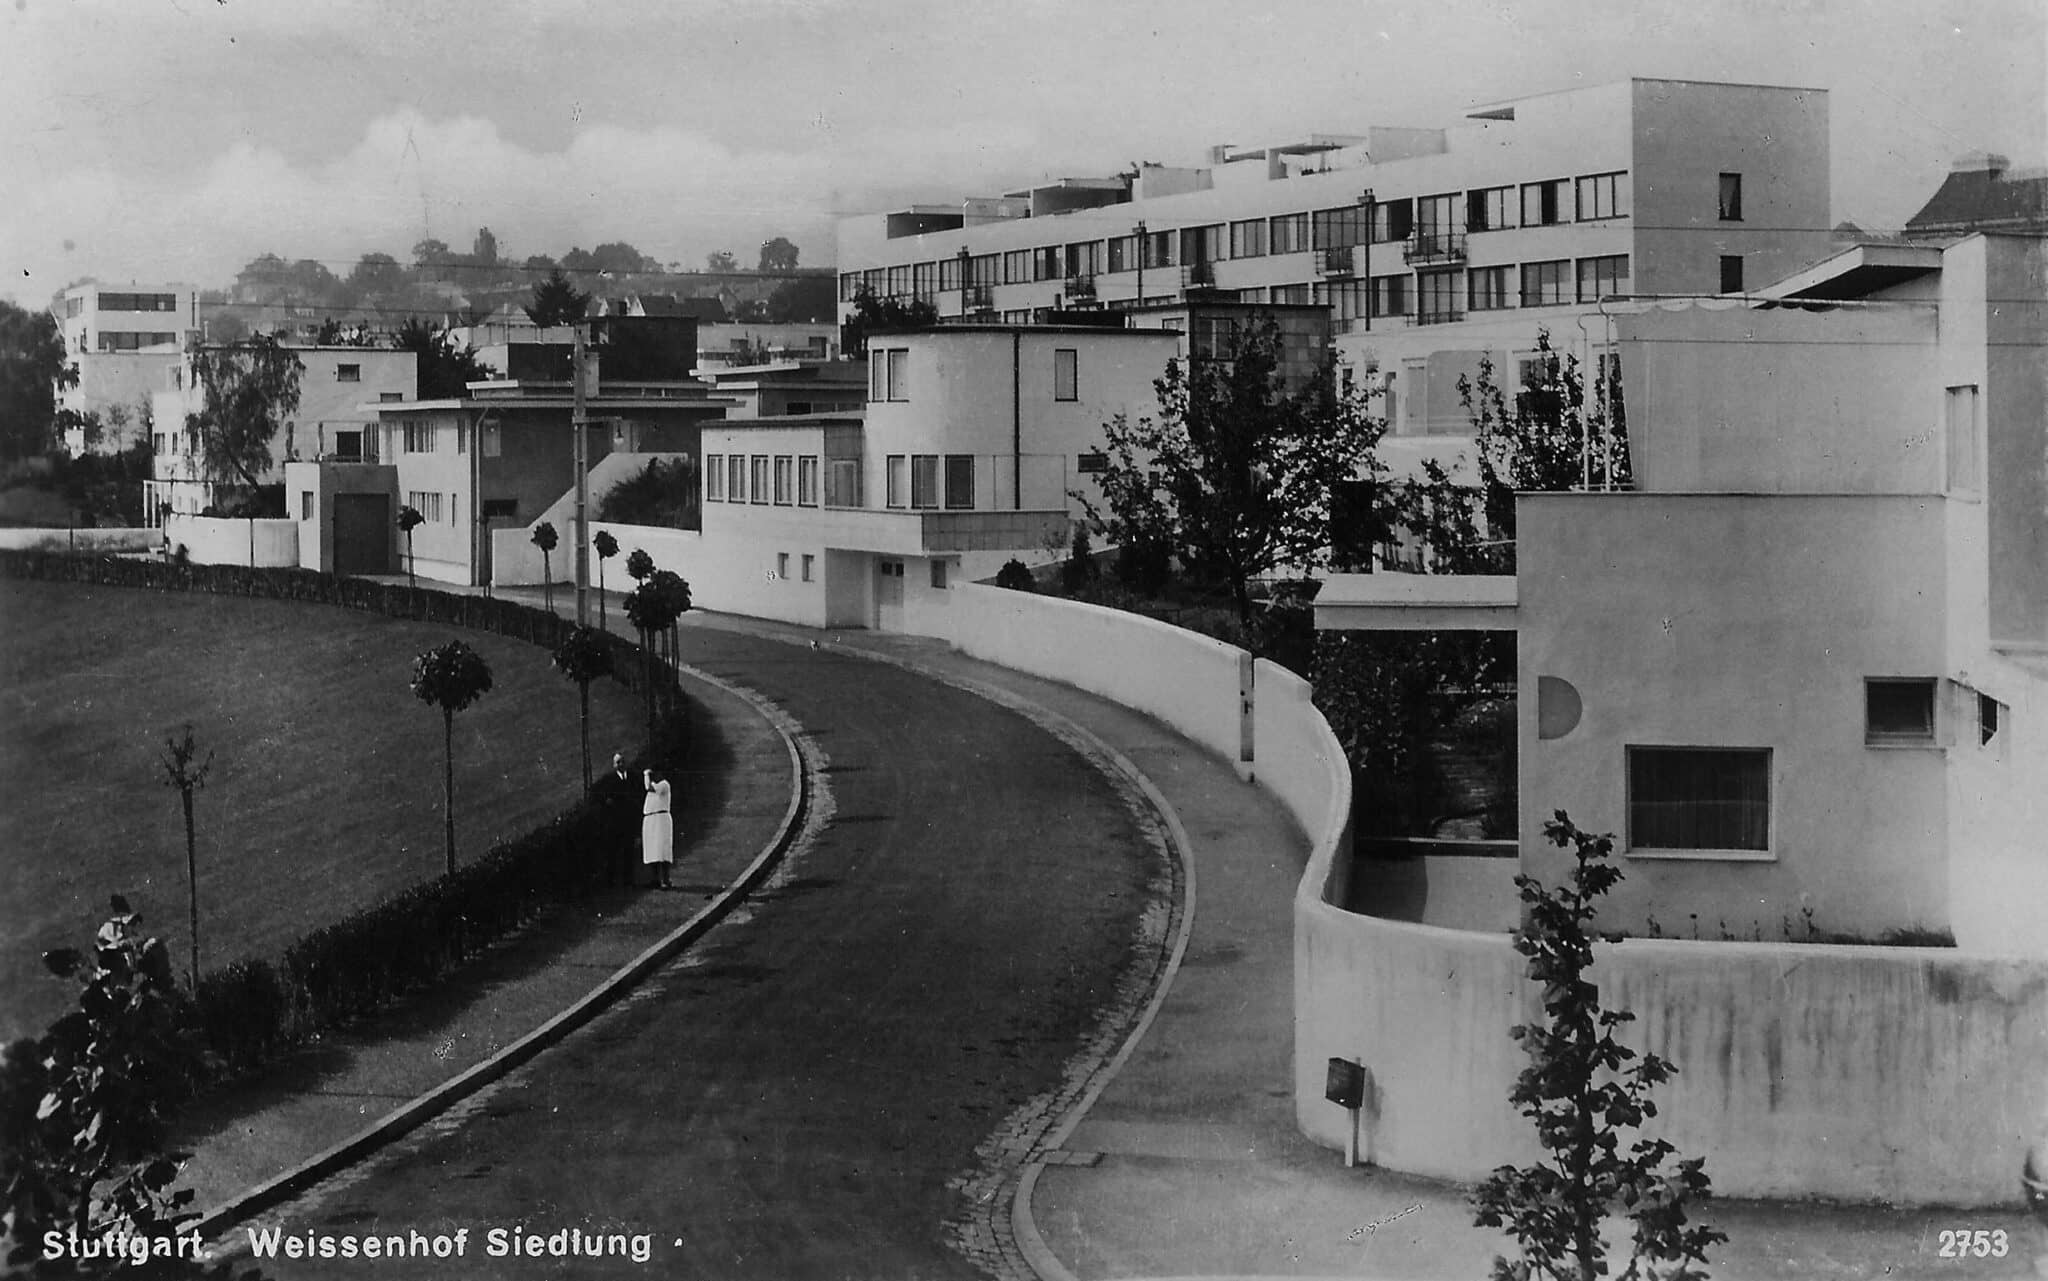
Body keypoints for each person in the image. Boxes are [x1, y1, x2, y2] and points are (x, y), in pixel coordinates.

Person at [591, 751, 639, 886]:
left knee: (629, 852)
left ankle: (628, 880)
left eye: (623, 761)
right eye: (618, 762)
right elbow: (598, 795)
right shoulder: (609, 780)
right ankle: (610, 881)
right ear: (614, 765)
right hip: (615, 823)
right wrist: (607, 803)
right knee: (613, 852)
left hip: (629, 821)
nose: (621, 764)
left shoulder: (632, 778)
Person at [641, 766, 674, 889]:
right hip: (651, 819)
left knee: (662, 850)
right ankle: (655, 879)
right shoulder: (654, 785)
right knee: (652, 851)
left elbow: (648, 787)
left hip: (661, 820)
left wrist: (645, 774)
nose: (656, 776)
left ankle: (665, 880)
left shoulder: (664, 785)